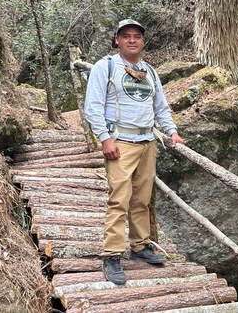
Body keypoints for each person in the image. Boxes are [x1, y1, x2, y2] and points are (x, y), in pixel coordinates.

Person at [84, 18, 183, 285]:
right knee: (120, 197)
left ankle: (140, 245)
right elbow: (92, 106)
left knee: (142, 198)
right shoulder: (105, 67)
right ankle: (112, 255)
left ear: (143, 41)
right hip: (120, 141)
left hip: (147, 141)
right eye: (125, 35)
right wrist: (104, 138)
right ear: (117, 40)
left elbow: (160, 107)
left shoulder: (150, 71)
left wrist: (171, 132)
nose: (131, 40)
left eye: (136, 36)